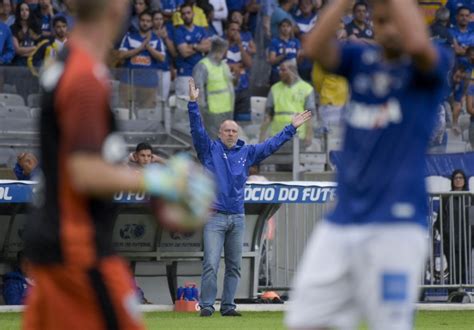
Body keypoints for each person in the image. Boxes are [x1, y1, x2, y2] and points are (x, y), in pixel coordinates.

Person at [21, 1, 215, 329]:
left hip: (54, 240)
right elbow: (82, 171)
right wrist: (162, 181)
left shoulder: (67, 64)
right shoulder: (85, 77)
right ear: (114, 9)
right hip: (78, 247)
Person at [285, 0, 452, 329]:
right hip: (344, 219)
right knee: (305, 320)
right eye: (380, 21)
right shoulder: (361, 60)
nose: (388, 28)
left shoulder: (429, 67)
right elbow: (314, 47)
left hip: (397, 224)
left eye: (395, 20)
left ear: (411, 19)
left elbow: (418, 45)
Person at [187, 78, 312, 317]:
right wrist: (193, 103)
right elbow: (196, 129)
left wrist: (291, 127)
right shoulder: (208, 150)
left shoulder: (247, 152)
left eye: (234, 130)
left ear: (238, 133)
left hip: (237, 216)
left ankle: (228, 307)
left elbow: (270, 145)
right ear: (220, 133)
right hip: (214, 217)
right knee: (211, 264)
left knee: (234, 265)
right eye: (227, 130)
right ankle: (205, 306)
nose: (231, 133)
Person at [260, 60, 315, 147]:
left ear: (292, 71)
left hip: (298, 135)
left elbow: (310, 116)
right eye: (279, 70)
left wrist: (309, 135)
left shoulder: (306, 89)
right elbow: (268, 115)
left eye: (283, 70)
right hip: (277, 135)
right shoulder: (274, 89)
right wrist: (262, 135)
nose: (280, 73)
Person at [118, 10, 165, 109]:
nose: (145, 23)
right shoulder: (129, 36)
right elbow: (121, 55)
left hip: (149, 84)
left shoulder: (157, 39)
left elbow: (162, 58)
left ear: (152, 23)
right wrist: (140, 48)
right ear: (138, 21)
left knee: (146, 115)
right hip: (129, 82)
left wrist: (148, 47)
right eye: (143, 20)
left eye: (148, 21)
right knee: (126, 113)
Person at [434, 169, 472, 286]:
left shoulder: (471, 198)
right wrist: (445, 235)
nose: (458, 180)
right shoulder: (446, 198)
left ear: (464, 180)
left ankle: (463, 294)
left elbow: (473, 221)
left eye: (461, 177)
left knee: (464, 270)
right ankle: (453, 294)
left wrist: (472, 239)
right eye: (456, 178)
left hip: (467, 241)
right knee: (453, 269)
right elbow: (440, 220)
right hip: (449, 241)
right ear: (452, 180)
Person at [192, 36, 234, 138]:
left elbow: (229, 87)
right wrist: (201, 112)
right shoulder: (203, 66)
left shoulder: (224, 65)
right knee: (213, 140)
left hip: (227, 110)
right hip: (211, 112)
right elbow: (198, 91)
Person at [174, 3, 210, 112]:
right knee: (183, 107)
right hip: (184, 73)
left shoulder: (201, 29)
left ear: (193, 14)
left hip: (199, 74)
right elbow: (184, 52)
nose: (186, 15)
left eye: (188, 13)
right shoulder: (178, 31)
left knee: (200, 106)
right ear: (181, 16)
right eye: (183, 14)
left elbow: (208, 47)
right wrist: (200, 46)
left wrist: (193, 46)